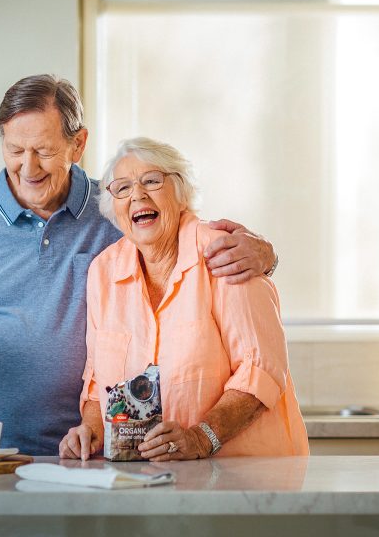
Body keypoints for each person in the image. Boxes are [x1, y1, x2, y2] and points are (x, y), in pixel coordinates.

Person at [0, 75, 277, 455]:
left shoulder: (117, 208)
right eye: (15, 150)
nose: (28, 167)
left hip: (81, 450)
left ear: (78, 144)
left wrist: (267, 255)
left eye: (42, 150)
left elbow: (187, 243)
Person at [59, 137, 308, 461]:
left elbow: (261, 372)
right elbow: (98, 384)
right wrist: (91, 431)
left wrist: (202, 437)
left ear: (181, 193)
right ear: (113, 208)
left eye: (151, 181)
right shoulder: (104, 272)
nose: (137, 195)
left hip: (245, 478)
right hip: (149, 482)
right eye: (122, 188)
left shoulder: (225, 253)